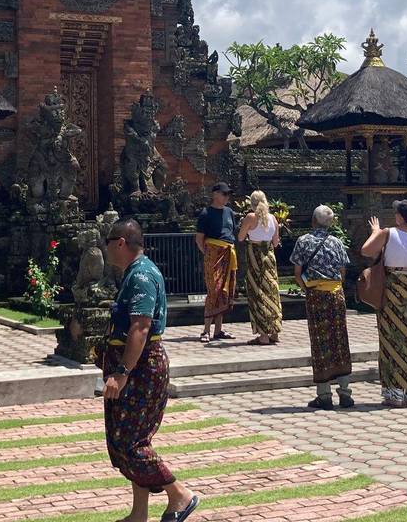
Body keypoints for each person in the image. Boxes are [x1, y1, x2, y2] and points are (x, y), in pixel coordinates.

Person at [101, 218, 199, 522]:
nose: (106, 252)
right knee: (128, 437)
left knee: (131, 442)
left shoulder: (141, 276)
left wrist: (122, 371)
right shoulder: (134, 273)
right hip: (136, 364)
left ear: (120, 243)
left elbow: (141, 327)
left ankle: (179, 495)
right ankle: (138, 513)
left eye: (108, 245)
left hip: (143, 367)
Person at [360, 200, 407, 408]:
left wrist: (375, 231)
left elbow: (366, 250)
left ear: (399, 217)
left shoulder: (388, 232)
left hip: (394, 288)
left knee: (392, 338)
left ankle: (396, 393)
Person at [290, 204, 354, 410]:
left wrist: (307, 288)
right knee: (340, 340)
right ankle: (345, 393)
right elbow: (343, 272)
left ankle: (324, 394)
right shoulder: (336, 242)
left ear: (313, 221)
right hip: (336, 294)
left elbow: (297, 273)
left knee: (321, 342)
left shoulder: (303, 241)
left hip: (315, 294)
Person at [237, 189, 282, 345]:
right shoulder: (273, 219)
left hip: (255, 256)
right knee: (272, 291)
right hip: (269, 256)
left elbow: (241, 237)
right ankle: (275, 332)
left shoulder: (250, 217)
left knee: (258, 292)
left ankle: (263, 335)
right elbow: (276, 242)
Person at [195, 182, 238, 343]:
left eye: (228, 194)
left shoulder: (229, 212)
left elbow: (231, 231)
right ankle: (206, 330)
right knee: (214, 290)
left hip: (228, 252)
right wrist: (208, 254)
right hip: (213, 254)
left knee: (225, 291)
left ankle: (218, 330)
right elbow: (199, 239)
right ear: (215, 194)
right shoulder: (206, 213)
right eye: (224, 194)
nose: (227, 197)